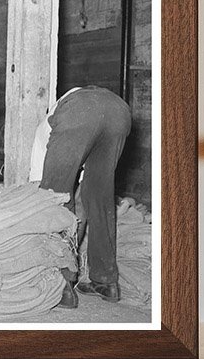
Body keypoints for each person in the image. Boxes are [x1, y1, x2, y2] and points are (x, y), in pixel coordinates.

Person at [28, 86, 132, 306]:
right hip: (118, 110)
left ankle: (62, 284)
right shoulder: (68, 123)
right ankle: (105, 281)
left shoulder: (42, 137)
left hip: (80, 110)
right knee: (100, 199)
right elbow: (83, 201)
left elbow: (46, 195)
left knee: (55, 200)